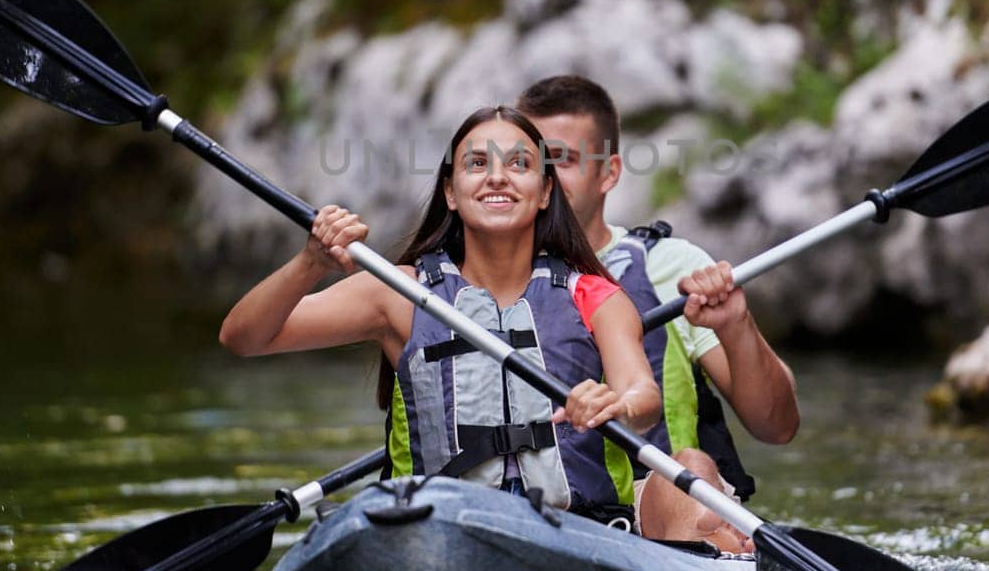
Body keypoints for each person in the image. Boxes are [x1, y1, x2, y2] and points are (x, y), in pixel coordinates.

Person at [219, 105, 661, 516]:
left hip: (576, 528)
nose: (497, 178)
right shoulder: (398, 293)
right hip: (440, 524)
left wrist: (614, 405)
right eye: (476, 164)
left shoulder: (594, 294)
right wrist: (310, 264)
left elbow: (644, 399)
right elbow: (244, 338)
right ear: (451, 192)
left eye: (519, 164)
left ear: (545, 191)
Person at [518, 75, 800, 551]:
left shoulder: (674, 268)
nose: (544, 174)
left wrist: (736, 326)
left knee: (689, 466)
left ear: (608, 173)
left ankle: (715, 541)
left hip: (660, 513)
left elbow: (777, 426)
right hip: (528, 508)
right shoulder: (471, 280)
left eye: (562, 159)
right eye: (529, 159)